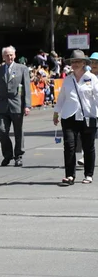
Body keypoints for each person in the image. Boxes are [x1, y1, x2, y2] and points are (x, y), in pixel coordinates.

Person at [53, 50, 98, 185]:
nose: (75, 64)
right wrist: (56, 112)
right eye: (73, 62)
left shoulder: (92, 78)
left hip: (87, 116)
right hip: (69, 116)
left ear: (84, 63)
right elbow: (62, 97)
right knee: (69, 145)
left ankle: (88, 174)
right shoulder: (68, 79)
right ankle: (70, 175)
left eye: (78, 61)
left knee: (88, 146)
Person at [0, 46, 31, 167]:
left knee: (18, 131)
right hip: (2, 106)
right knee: (2, 131)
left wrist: (27, 105)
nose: (9, 57)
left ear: (15, 55)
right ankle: (7, 155)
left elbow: (26, 88)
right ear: (3, 57)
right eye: (7, 55)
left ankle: (18, 155)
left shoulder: (22, 69)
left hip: (17, 105)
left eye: (11, 55)